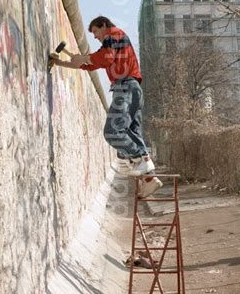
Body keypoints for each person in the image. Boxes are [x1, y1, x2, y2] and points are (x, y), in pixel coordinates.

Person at [50, 16, 162, 198]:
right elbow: (91, 64)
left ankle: (142, 158)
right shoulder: (113, 42)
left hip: (125, 86)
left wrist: (85, 57)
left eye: (95, 31)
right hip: (133, 88)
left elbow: (105, 59)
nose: (95, 36)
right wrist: (61, 62)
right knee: (131, 132)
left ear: (103, 26)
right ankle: (149, 179)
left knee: (112, 131)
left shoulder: (113, 34)